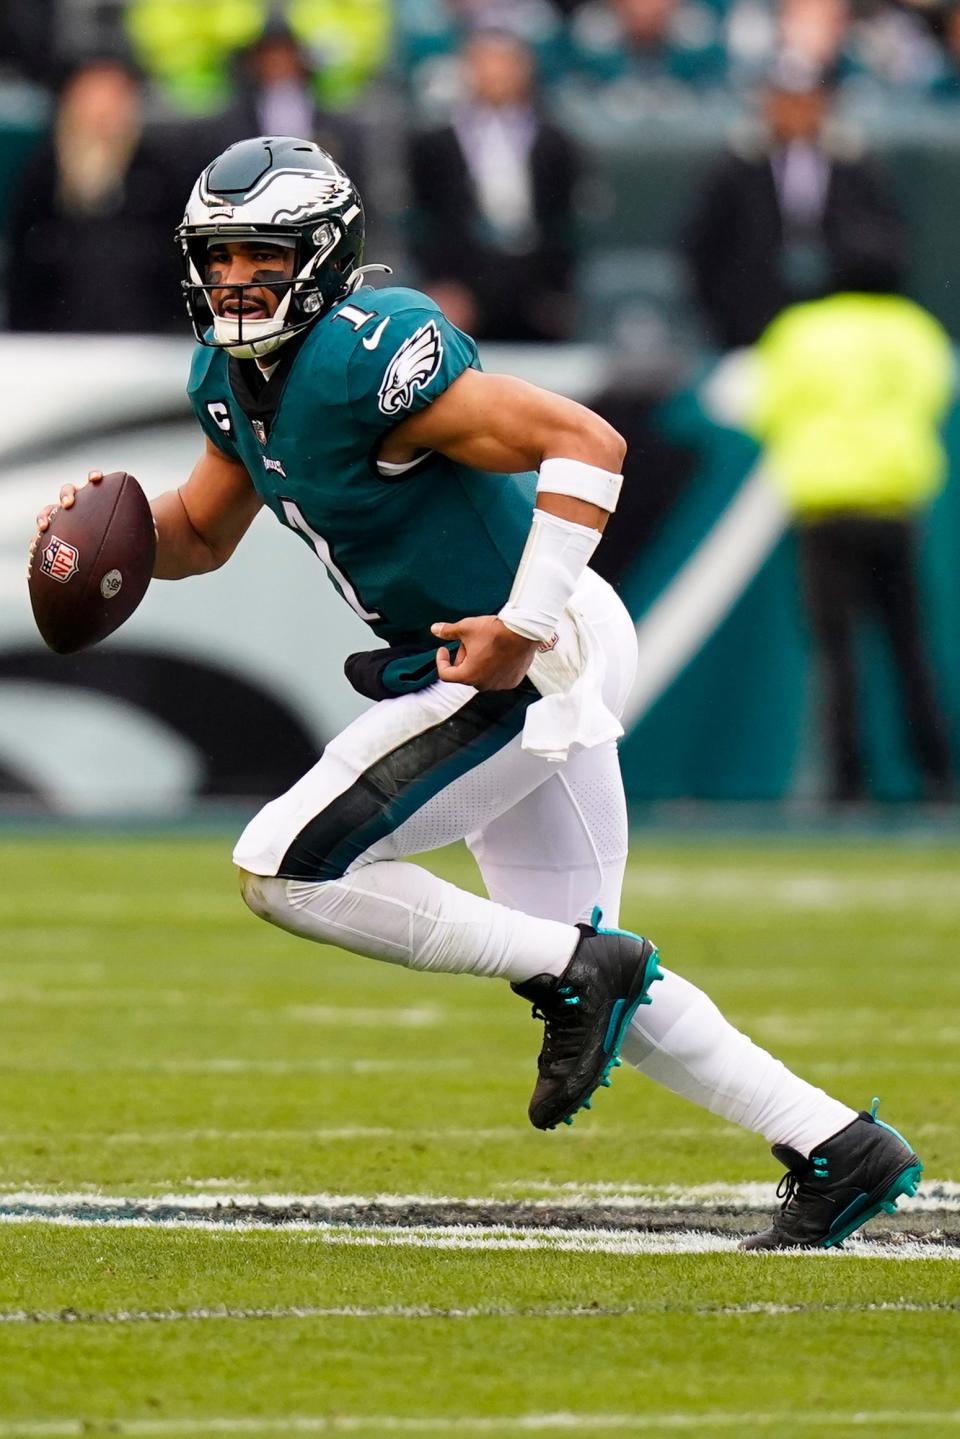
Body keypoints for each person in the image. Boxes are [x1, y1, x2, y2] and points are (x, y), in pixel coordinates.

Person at [35, 136, 921, 1249]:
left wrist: (522, 626)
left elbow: (586, 445)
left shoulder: (370, 355)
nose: (234, 283)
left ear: (320, 254)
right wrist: (100, 538)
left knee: (285, 866)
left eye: (259, 256)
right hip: (502, 653)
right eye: (217, 260)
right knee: (588, 965)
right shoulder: (231, 377)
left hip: (523, 653)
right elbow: (201, 532)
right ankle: (839, 1143)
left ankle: (579, 970)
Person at [747, 261, 955, 803]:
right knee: (909, 647)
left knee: (837, 652)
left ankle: (846, 785)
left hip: (827, 507)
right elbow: (933, 398)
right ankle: (936, 777)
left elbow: (767, 409)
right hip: (893, 503)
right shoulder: (913, 327)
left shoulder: (800, 330)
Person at [683, 54, 906, 350]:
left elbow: (885, 244)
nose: (797, 112)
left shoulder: (855, 167)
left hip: (840, 325)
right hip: (752, 328)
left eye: (807, 101)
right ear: (768, 105)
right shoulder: (736, 170)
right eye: (786, 101)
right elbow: (703, 250)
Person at [408, 28, 580, 341]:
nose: (495, 73)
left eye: (505, 63)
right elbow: (422, 219)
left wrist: (558, 290)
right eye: (484, 62)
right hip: (463, 283)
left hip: (535, 288)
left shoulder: (556, 143)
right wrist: (440, 285)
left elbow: (566, 221)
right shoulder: (434, 143)